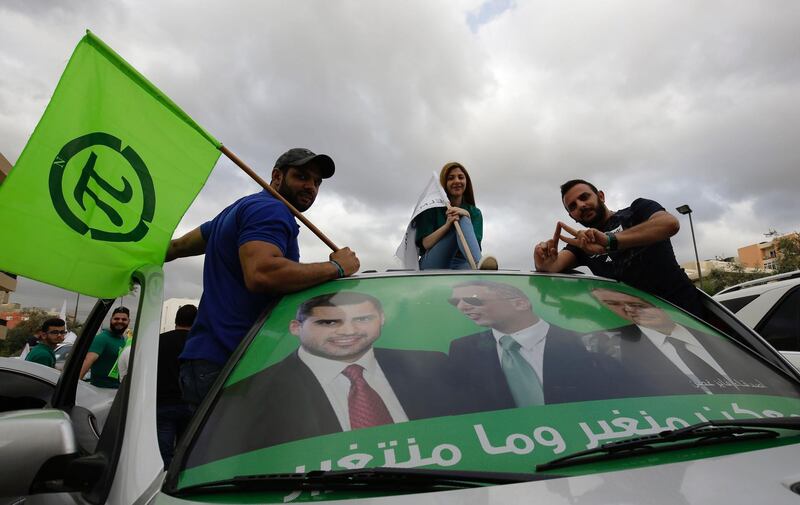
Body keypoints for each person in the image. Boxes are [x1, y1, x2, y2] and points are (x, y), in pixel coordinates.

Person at [166, 148, 360, 408]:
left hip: (204, 360)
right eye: (301, 177)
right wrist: (336, 267)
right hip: (233, 363)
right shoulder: (271, 211)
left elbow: (176, 248)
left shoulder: (239, 210)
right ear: (277, 176)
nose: (310, 187)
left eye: (316, 182)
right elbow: (262, 273)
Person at [189, 292, 458, 464]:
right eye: (329, 322)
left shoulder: (432, 366)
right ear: (296, 327)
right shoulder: (247, 396)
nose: (349, 331)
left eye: (363, 318)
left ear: (382, 319)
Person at [533, 179, 703, 316]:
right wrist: (543, 260)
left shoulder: (638, 209)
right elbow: (553, 266)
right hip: (636, 330)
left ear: (601, 196)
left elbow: (669, 224)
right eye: (573, 207)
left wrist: (610, 241)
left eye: (584, 197)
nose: (580, 205)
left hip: (685, 314)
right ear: (572, 217)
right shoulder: (581, 244)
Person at [590, 288, 799, 397]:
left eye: (635, 302)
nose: (630, 309)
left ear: (657, 302)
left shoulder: (725, 339)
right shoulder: (624, 364)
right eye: (614, 305)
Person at [447, 280, 622, 411]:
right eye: (455, 302)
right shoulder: (462, 350)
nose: (462, 307)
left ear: (520, 303)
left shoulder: (589, 343)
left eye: (473, 299)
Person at [415, 162, 497, 270]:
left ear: (466, 181)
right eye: (451, 178)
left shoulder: (475, 213)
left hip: (462, 262)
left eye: (461, 177)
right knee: (458, 223)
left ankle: (478, 267)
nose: (457, 181)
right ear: (444, 183)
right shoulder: (430, 208)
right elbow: (426, 243)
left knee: (463, 218)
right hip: (433, 261)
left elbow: (474, 245)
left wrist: (466, 214)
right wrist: (447, 226)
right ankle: (478, 266)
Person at [80, 307, 129, 389]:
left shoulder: (124, 340)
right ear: (111, 320)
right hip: (100, 391)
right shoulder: (101, 338)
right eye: (116, 318)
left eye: (124, 319)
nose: (120, 321)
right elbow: (87, 362)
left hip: (117, 390)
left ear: (128, 321)